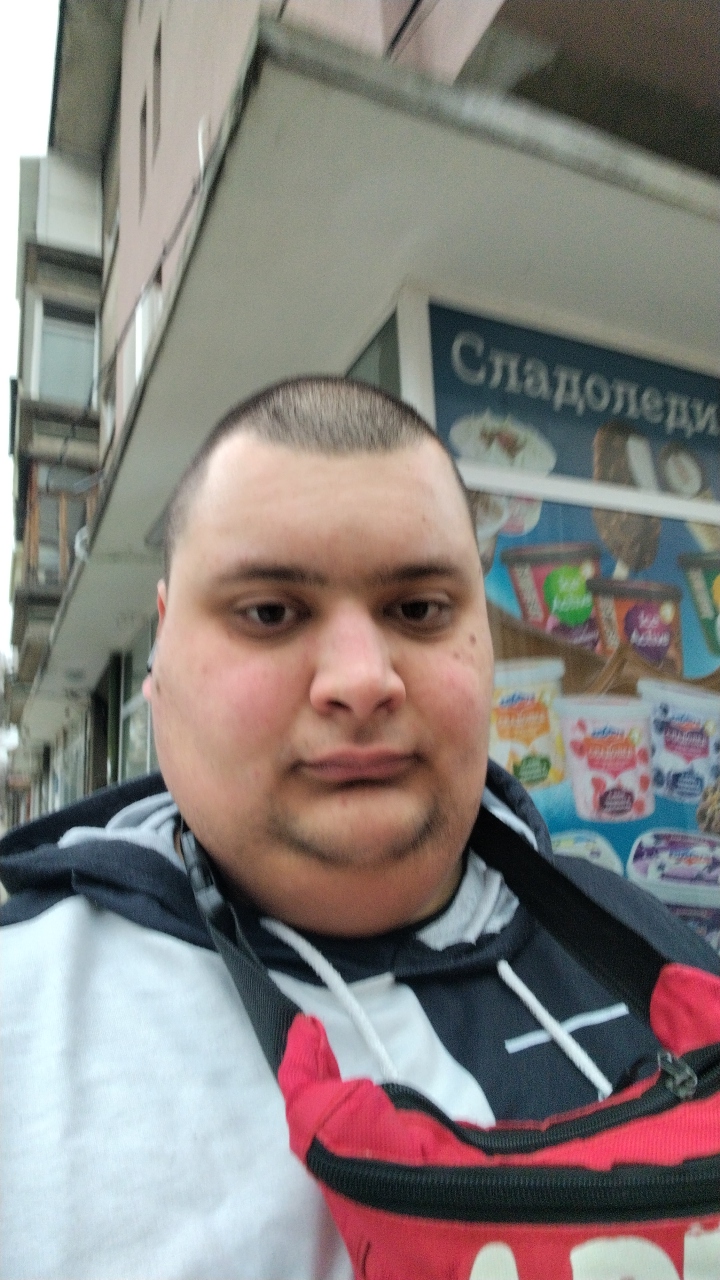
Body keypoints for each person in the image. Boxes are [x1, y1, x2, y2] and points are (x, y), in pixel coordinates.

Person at [1, 377, 717, 1280]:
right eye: (270, 612)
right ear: (162, 652)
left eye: (418, 610)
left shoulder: (660, 950)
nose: (361, 679)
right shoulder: (23, 1018)